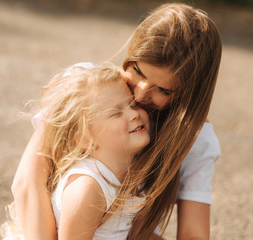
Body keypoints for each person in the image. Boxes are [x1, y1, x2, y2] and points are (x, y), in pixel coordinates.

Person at [12, 3, 222, 240]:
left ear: (188, 96)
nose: (141, 95)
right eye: (138, 72)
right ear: (131, 55)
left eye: (163, 90)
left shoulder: (196, 140)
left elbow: (193, 234)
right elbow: (28, 182)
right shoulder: (88, 88)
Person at [0, 64, 154, 240]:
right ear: (85, 140)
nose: (133, 114)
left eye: (133, 104)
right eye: (116, 113)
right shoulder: (88, 189)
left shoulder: (134, 176)